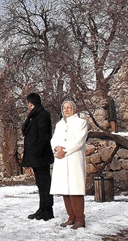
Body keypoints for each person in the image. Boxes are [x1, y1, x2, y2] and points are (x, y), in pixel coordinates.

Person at [51, 100, 90, 229]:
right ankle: (71, 217)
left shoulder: (81, 123)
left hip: (73, 158)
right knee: (64, 189)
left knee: (75, 189)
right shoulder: (59, 124)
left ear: (74, 109)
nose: (66, 110)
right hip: (61, 159)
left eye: (69, 107)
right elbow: (54, 139)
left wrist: (65, 151)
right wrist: (57, 148)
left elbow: (79, 141)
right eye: (64, 108)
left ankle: (80, 218)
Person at [21, 93, 55, 221]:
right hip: (36, 156)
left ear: (30, 103)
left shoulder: (42, 115)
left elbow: (44, 136)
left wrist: (38, 153)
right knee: (40, 183)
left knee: (45, 183)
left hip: (40, 156)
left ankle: (47, 210)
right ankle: (42, 208)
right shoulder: (35, 115)